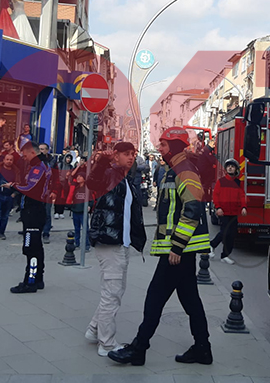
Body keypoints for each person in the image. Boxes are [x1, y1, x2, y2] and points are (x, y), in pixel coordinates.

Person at [108, 127, 212, 366]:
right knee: (191, 301)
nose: (158, 148)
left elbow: (193, 210)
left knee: (154, 298)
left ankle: (139, 348)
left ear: (174, 146)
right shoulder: (174, 169)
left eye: (163, 144)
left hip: (178, 251)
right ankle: (203, 349)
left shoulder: (184, 170)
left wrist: (176, 247)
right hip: (180, 251)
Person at [84, 142, 147, 357]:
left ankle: (93, 330)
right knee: (111, 294)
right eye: (126, 154)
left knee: (115, 292)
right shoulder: (109, 174)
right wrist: (102, 160)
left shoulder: (127, 179)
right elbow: (92, 182)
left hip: (121, 242)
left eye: (133, 154)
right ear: (116, 156)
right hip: (109, 242)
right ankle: (107, 343)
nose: (131, 158)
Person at [9, 142, 51, 293]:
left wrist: (13, 185)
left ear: (32, 153)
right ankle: (38, 278)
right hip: (34, 210)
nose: (23, 157)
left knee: (31, 247)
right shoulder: (40, 165)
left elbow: (30, 187)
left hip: (33, 212)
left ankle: (30, 281)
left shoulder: (38, 167)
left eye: (25, 154)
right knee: (37, 247)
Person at [210, 158, 247, 264]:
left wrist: (243, 207)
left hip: (234, 212)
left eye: (232, 166)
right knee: (224, 232)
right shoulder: (221, 182)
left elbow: (242, 196)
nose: (230, 168)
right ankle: (212, 245)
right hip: (224, 212)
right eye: (228, 166)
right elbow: (215, 195)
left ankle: (225, 255)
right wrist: (218, 208)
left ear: (236, 169)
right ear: (226, 169)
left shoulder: (238, 183)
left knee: (232, 234)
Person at [65, 163, 91, 251]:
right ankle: (77, 243)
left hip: (83, 211)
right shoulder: (75, 187)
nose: (78, 178)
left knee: (85, 229)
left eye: (80, 177)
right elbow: (71, 178)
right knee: (76, 229)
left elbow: (91, 199)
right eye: (78, 176)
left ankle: (87, 244)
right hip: (75, 210)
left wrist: (90, 206)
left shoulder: (87, 188)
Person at [53, 153, 74, 220]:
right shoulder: (60, 165)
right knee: (58, 198)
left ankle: (61, 212)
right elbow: (57, 174)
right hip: (59, 183)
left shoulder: (71, 167)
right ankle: (56, 212)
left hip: (66, 184)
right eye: (67, 158)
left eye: (70, 158)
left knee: (63, 198)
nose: (68, 159)